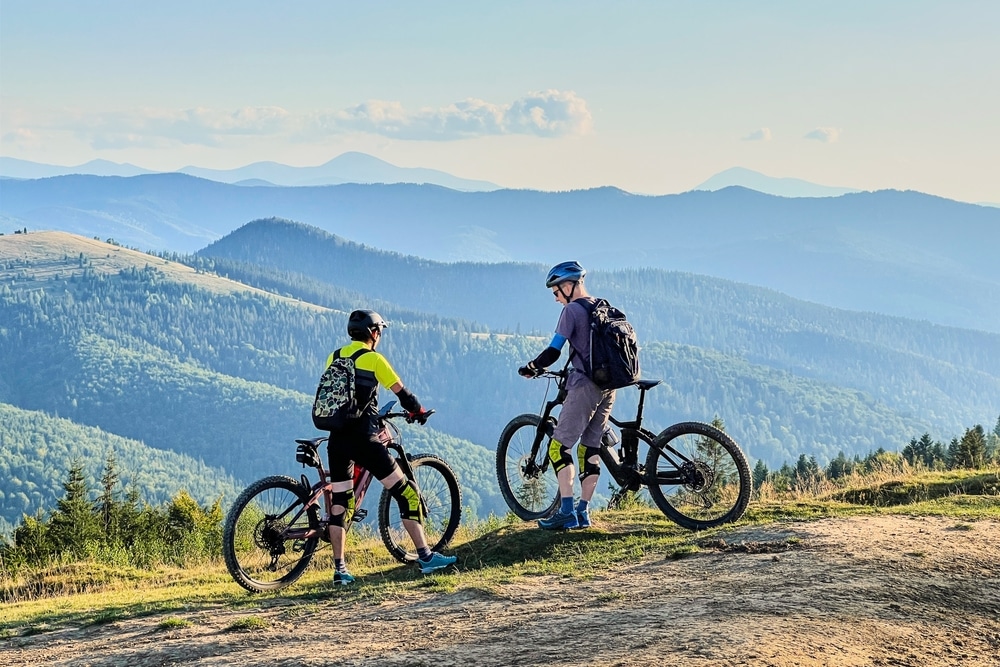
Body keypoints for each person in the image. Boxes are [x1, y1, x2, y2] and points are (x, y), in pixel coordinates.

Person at [323, 309, 457, 584]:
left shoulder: (335, 356)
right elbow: (403, 394)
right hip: (365, 440)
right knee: (406, 493)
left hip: (336, 440)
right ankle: (426, 557)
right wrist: (418, 411)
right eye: (379, 332)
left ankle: (340, 571)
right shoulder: (374, 360)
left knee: (340, 504)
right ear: (374, 333)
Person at [518, 261, 617, 530]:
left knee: (558, 447)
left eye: (556, 291)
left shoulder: (572, 311)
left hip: (585, 386)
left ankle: (566, 512)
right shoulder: (601, 305)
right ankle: (583, 512)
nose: (555, 297)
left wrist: (531, 367)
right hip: (609, 387)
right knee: (590, 448)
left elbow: (554, 351)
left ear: (568, 285)